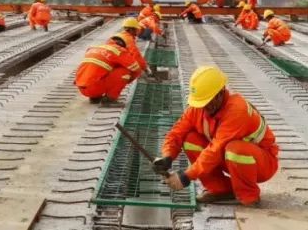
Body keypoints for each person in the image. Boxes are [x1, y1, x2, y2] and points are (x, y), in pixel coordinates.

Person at [154, 66, 278, 205]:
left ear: (220, 93)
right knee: (190, 139)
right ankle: (220, 190)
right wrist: (167, 156)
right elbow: (176, 133)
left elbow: (215, 150)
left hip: (261, 163)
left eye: (207, 101)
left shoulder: (237, 110)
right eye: (200, 102)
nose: (204, 107)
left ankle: (249, 196)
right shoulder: (198, 108)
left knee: (234, 149)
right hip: (230, 159)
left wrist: (186, 176)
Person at [74, 35, 143, 103]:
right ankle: (110, 99)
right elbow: (136, 69)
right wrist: (128, 80)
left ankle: (95, 97)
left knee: (102, 68)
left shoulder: (94, 48)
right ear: (122, 45)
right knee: (125, 70)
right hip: (94, 88)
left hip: (82, 89)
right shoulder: (118, 50)